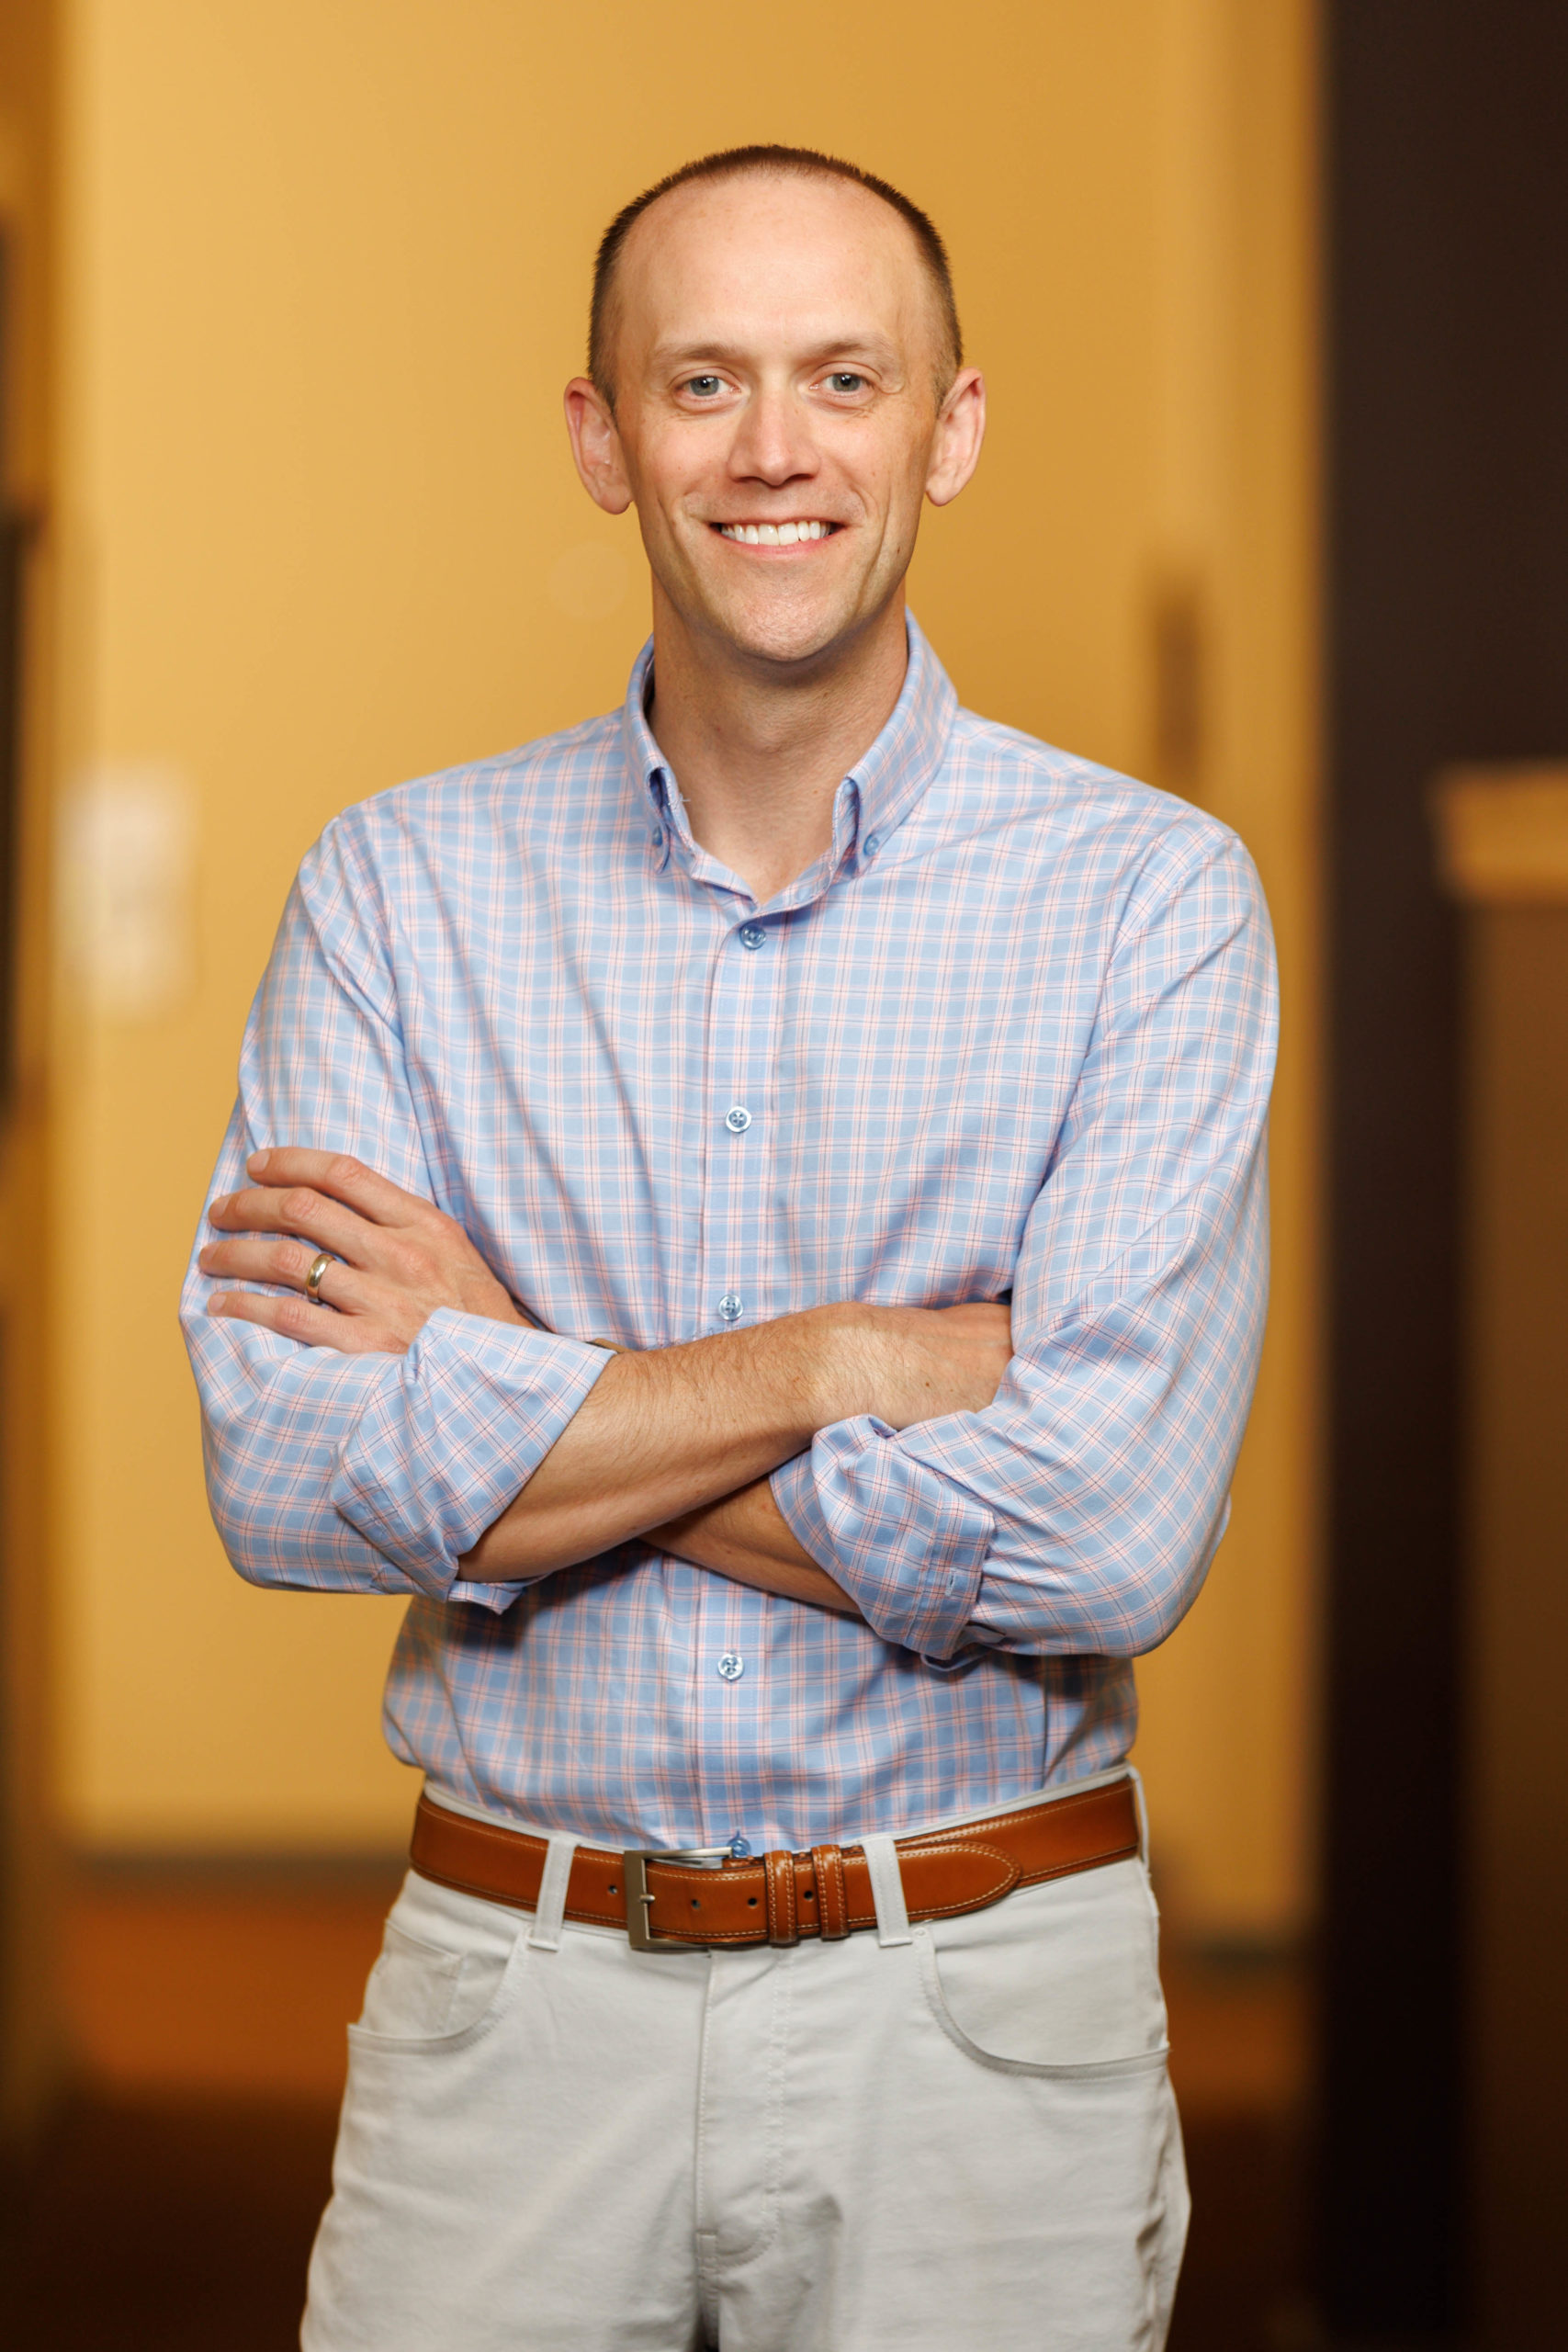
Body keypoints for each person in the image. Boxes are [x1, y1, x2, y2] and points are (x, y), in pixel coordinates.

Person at [181, 144, 1275, 2352]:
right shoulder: (393, 894)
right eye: (700, 382)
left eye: (841, 377)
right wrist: (856, 1355)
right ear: (602, 437)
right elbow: (288, 1475)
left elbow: (1108, 1528)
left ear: (946, 426)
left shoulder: (1149, 901)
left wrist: (514, 1377)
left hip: (978, 2014)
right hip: (509, 2010)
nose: (773, 449)